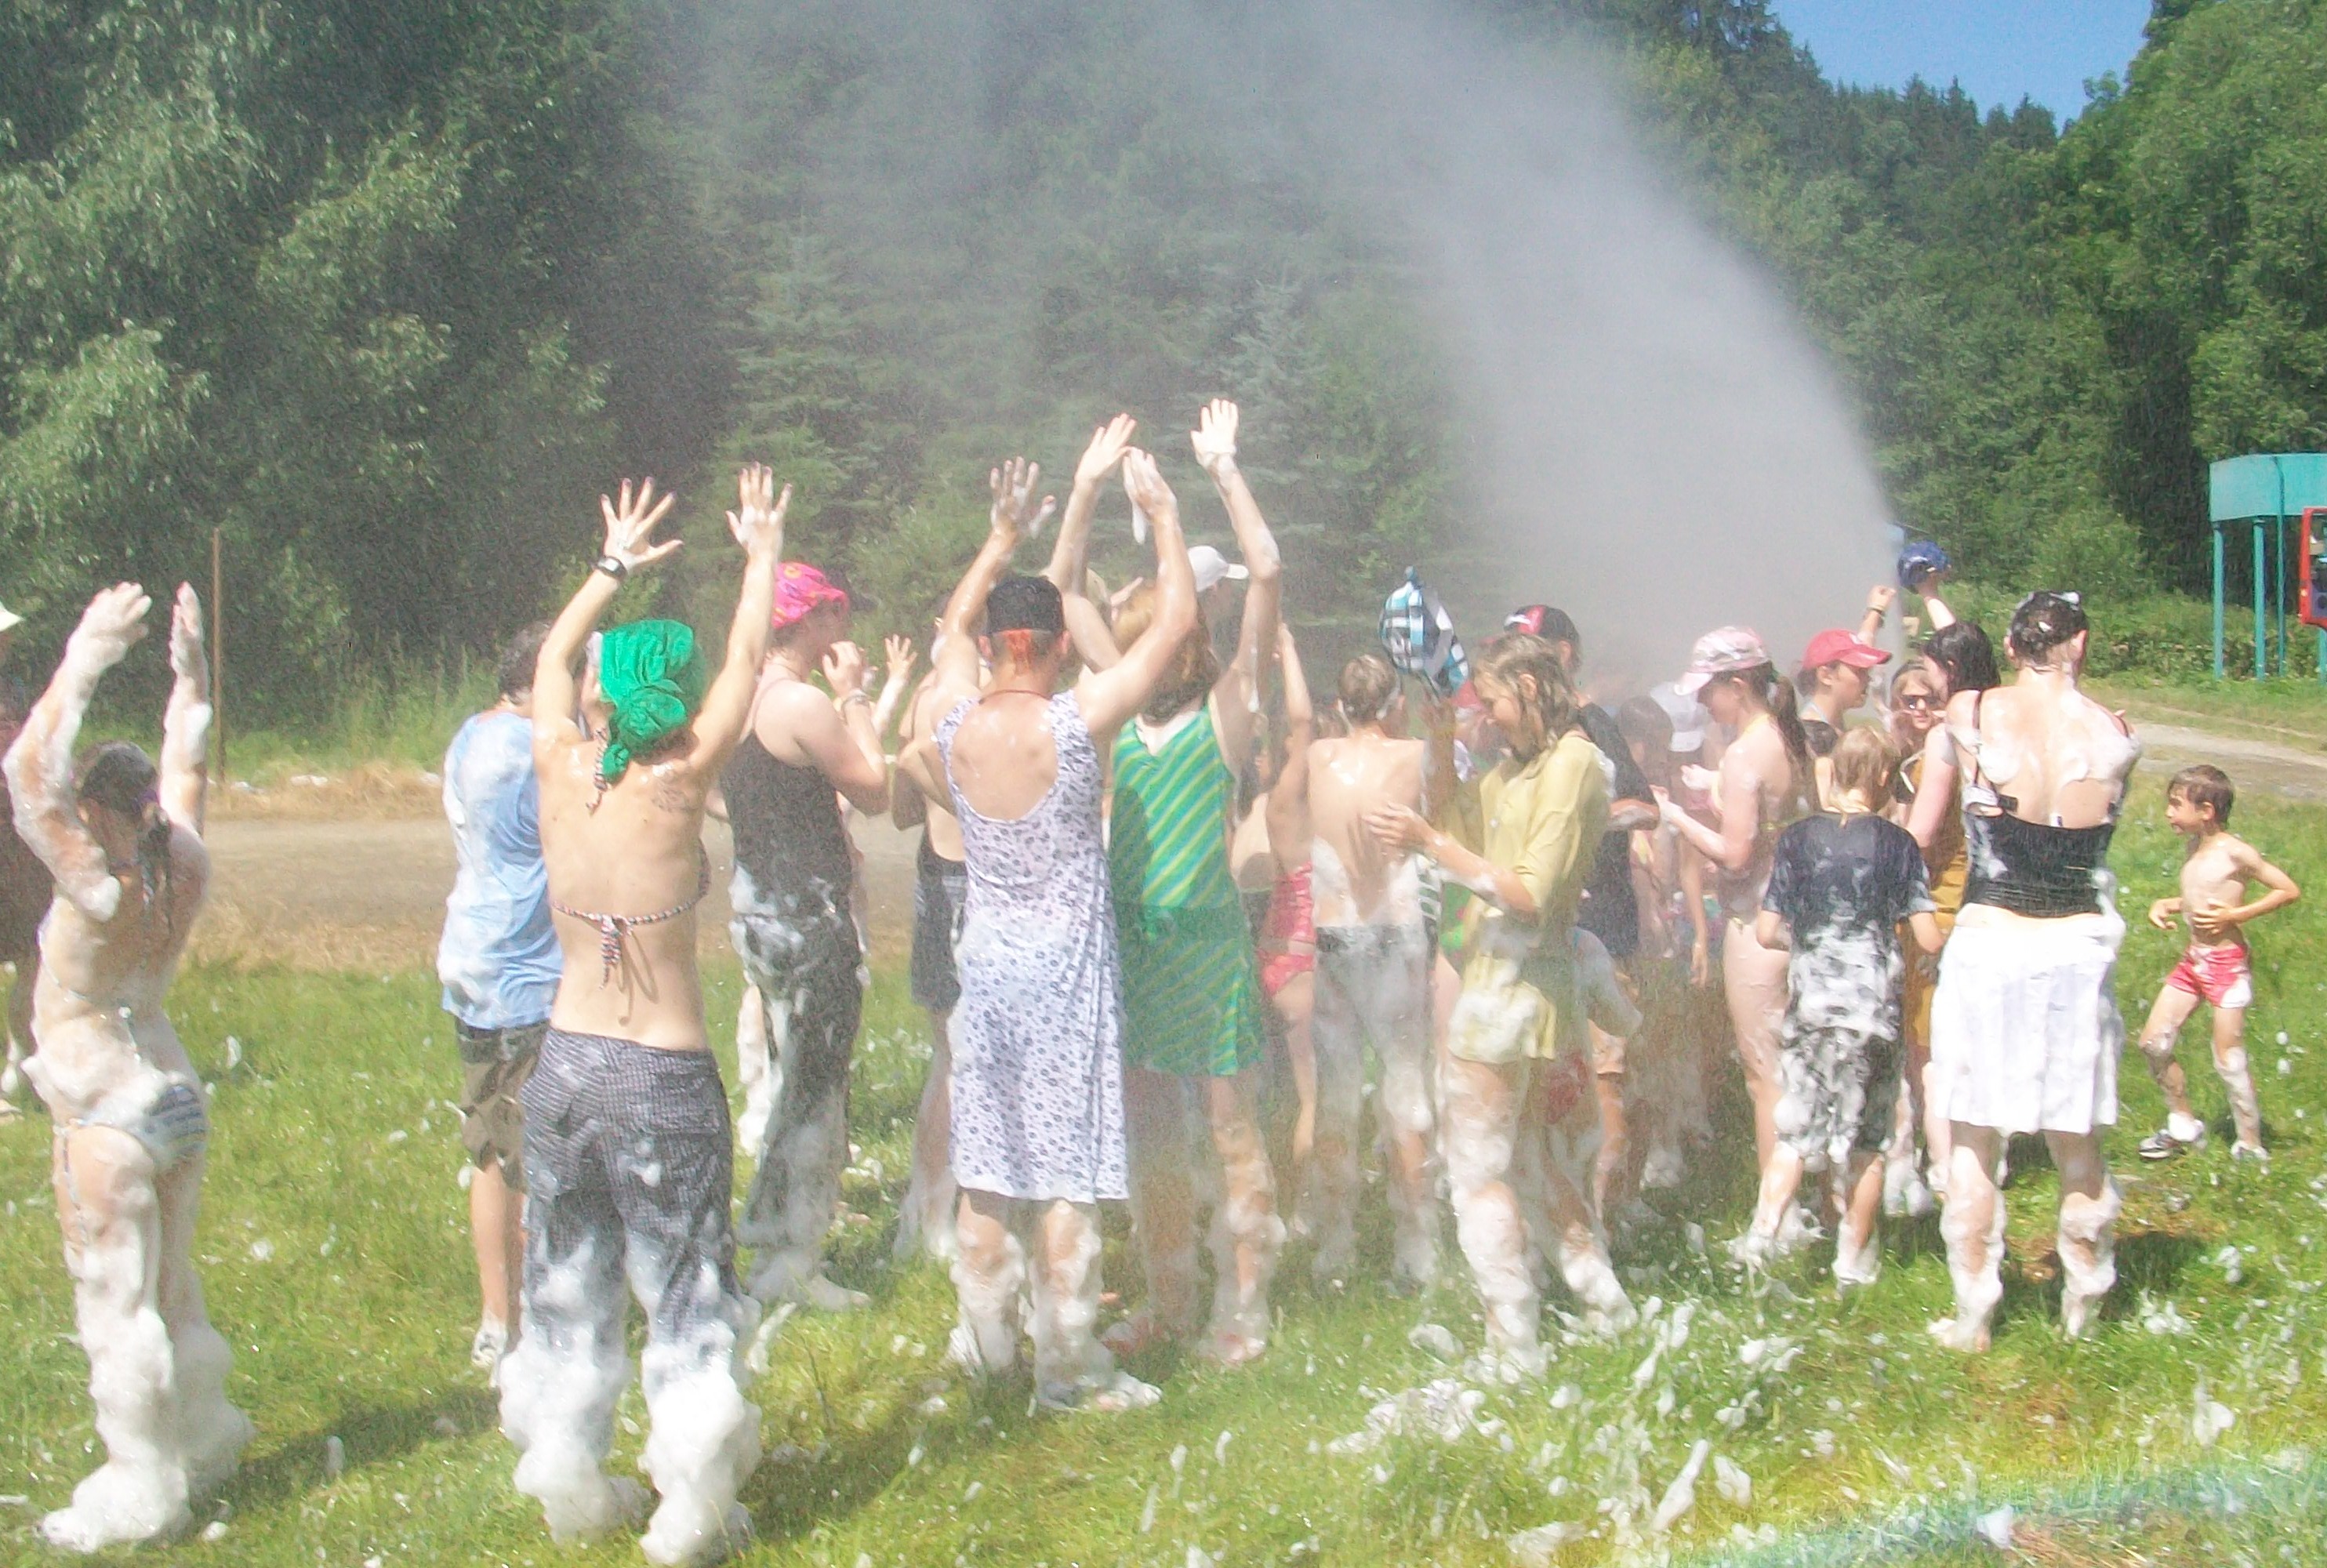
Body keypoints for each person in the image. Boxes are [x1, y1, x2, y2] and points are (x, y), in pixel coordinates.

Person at [496, 467, 785, 1565]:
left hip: (566, 1067)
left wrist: (611, 565)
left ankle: (571, 1481)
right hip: (662, 1072)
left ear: (608, 697)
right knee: (685, 1290)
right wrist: (761, 556)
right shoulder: (682, 782)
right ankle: (690, 1513)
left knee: (567, 1284)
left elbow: (548, 666)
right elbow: (748, 662)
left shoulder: (561, 767)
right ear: (678, 698)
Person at [906, 448, 1194, 1410]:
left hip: (986, 967)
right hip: (1067, 973)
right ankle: (1067, 1370)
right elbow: (1174, 628)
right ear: (1060, 646)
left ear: (996, 646)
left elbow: (951, 628)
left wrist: (998, 541)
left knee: (989, 1166)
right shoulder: (1077, 722)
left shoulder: (950, 721)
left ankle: (989, 1349)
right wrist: (1162, 515)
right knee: (1068, 1165)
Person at [4, 582, 245, 1552]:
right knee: (175, 1285)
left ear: (97, 811)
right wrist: (189, 673)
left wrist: (89, 651)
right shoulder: (180, 859)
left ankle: (144, 1490)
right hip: (174, 1092)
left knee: (119, 1309)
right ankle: (206, 1438)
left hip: (104, 1107)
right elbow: (188, 757)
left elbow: (26, 771)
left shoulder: (95, 885)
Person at [1369, 633, 1632, 1374]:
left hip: (1512, 992)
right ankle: (1605, 1303)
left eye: (1491, 703)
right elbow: (1457, 831)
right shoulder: (1518, 770)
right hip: (1508, 982)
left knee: (1477, 1171)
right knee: (1533, 1161)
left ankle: (1513, 1344)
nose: (1486, 717)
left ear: (1531, 688)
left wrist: (1429, 841)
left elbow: (1527, 892)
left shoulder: (1575, 765)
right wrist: (1440, 743)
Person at [1084, 400, 1284, 1366]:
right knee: (1150, 1139)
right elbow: (1063, 596)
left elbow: (1267, 574)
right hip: (1133, 944)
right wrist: (1086, 489)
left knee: (1230, 1130)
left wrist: (1219, 473)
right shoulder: (1118, 716)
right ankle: (1168, 1298)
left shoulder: (1227, 709)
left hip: (1206, 947)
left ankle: (1245, 1307)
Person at [1920, 591, 2139, 1352]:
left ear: (2012, 648)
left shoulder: (1973, 710)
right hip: (2077, 944)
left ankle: (1974, 1315)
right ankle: (2084, 1310)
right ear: (2080, 644)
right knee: (2077, 1141)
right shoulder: (2116, 734)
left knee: (1972, 1136)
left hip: (1991, 939)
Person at [723, 561, 891, 1311]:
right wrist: (854, 694)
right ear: (811, 620)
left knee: (793, 1080)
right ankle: (793, 1259)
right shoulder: (801, 703)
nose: (843, 627)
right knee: (817, 1090)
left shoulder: (735, 698)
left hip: (758, 913)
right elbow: (875, 789)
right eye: (835, 612)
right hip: (810, 921)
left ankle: (770, 1237)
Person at [1743, 729, 1940, 1285]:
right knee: (1867, 1143)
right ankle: (1853, 1264)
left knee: (1796, 1134)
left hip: (1811, 1010)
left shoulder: (1798, 839)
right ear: (1883, 776)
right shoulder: (1897, 844)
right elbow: (1927, 937)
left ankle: (1759, 1241)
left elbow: (1766, 931)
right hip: (1872, 1015)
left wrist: (1812, 945)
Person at [1504, 606, 1657, 1214]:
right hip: (1543, 931)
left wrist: (1579, 824)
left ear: (1562, 654)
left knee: (1606, 1079)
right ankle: (1570, 1217)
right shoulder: (1526, 735)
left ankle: (1607, 1226)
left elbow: (1644, 807)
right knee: (1553, 1080)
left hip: (1603, 926)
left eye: (1526, 650)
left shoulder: (1592, 723)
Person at [437, 620, 560, 1377]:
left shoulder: (473, 734)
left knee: (490, 1149)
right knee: (534, 1157)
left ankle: (497, 1319)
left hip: (475, 961)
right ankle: (537, 1322)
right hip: (525, 972)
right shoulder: (531, 749)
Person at [1299, 650, 1442, 1294]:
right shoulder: (1414, 755)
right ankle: (1417, 1248)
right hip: (1392, 936)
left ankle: (1336, 1246)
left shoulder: (1317, 758)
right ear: (1395, 705)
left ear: (1340, 706)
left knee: (1336, 1094)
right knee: (1405, 1087)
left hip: (1333, 936)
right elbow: (1444, 814)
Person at [1657, 628, 1815, 1197]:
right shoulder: (1788, 736)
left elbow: (1736, 853)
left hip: (1756, 924)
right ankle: (1815, 1197)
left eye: (1709, 691)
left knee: (1763, 1075)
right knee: (1802, 1066)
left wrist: (1677, 816)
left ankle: (1776, 1215)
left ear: (1739, 685)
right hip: (1801, 916)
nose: (1703, 703)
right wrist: (1718, 786)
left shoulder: (1746, 752)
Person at [2134, 764, 2300, 1163]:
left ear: (2206, 811)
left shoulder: (2235, 852)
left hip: (2227, 965)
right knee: (2153, 1043)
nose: (2168, 813)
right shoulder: (2195, 846)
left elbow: (2287, 889)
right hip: (2194, 961)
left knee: (2229, 1058)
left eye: (2176, 805)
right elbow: (2199, 898)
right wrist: (2168, 903)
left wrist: (2235, 916)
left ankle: (2250, 1144)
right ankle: (2182, 1124)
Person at [1899, 619, 2002, 1203]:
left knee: (1929, 1044)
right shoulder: (2006, 717)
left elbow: (1919, 835)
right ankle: (1990, 1153)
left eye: (1933, 668)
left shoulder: (1947, 737)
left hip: (1943, 894)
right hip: (2001, 894)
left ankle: (1946, 1167)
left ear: (1952, 670)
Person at [891, 626, 971, 1265]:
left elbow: (900, 812)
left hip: (931, 874)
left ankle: (927, 1210)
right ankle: (940, 1215)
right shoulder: (979, 701)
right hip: (968, 882)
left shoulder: (923, 699)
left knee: (947, 1058)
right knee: (963, 1062)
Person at [0, 595, 53, 1116]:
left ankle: (21, 1062)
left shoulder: (15, 689)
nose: (7, 642)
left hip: (19, 839)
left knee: (32, 955)